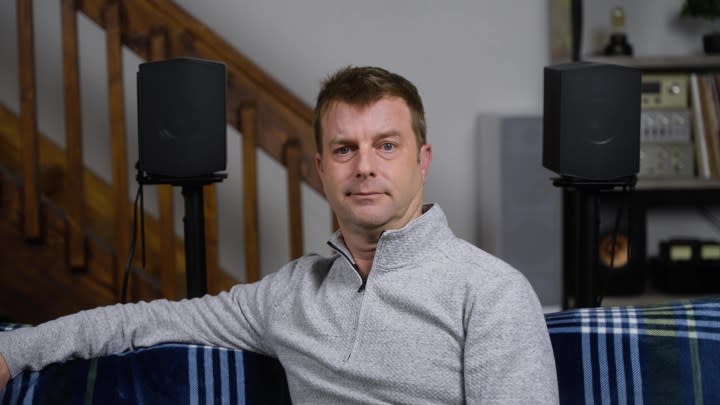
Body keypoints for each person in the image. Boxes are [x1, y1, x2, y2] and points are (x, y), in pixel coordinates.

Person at [0, 66, 558, 403]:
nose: (364, 167)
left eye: (386, 145)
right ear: (322, 170)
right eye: (345, 149)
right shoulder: (290, 295)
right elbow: (143, 321)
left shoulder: (490, 292)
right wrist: (11, 352)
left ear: (422, 161)